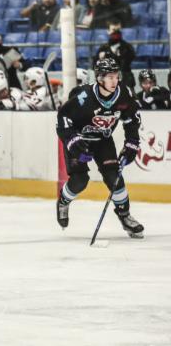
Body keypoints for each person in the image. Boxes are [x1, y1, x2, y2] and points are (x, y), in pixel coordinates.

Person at [55, 57, 144, 238]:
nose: (115, 80)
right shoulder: (83, 97)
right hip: (80, 140)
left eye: (116, 76)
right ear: (100, 78)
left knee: (115, 178)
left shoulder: (124, 94)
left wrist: (132, 143)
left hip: (103, 139)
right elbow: (63, 119)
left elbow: (132, 119)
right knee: (80, 181)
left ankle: (125, 216)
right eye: (110, 77)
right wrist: (73, 141)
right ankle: (63, 201)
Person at [94, 20, 136, 89]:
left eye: (118, 30)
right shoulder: (103, 48)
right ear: (108, 31)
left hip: (125, 82)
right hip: (109, 84)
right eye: (113, 30)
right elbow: (95, 65)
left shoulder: (127, 47)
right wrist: (101, 59)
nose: (116, 32)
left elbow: (128, 60)